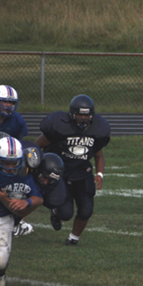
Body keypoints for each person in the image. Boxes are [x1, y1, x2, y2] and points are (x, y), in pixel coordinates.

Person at [35, 95, 111, 245]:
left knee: (86, 210)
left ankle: (73, 239)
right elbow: (36, 147)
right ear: (72, 114)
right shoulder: (59, 127)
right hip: (60, 173)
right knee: (66, 214)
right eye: (80, 114)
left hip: (82, 173)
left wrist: (100, 174)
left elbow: (99, 155)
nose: (83, 118)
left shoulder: (96, 131)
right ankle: (55, 212)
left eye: (86, 114)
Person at [0, 137, 43, 286]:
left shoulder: (25, 173)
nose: (10, 167)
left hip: (2, 216)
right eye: (5, 162)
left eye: (13, 163)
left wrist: (26, 202)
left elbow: (38, 198)